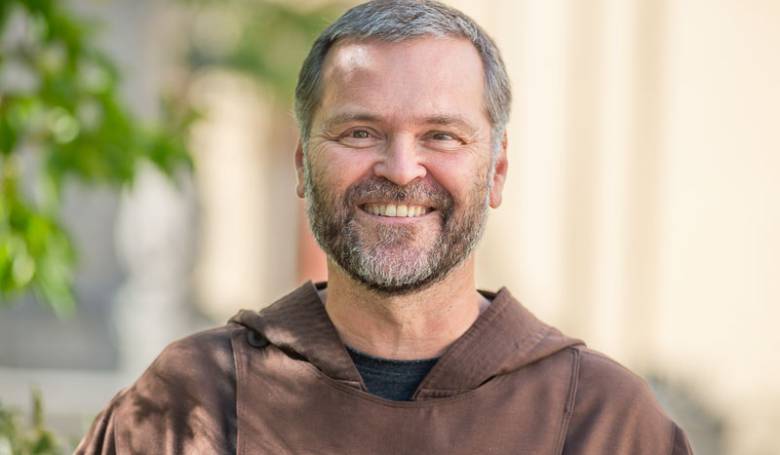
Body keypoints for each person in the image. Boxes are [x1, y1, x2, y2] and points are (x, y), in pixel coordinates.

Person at [77, 1, 692, 453]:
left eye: (441, 136)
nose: (400, 170)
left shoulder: (604, 422)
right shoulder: (193, 402)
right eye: (360, 132)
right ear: (302, 164)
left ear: (497, 172)